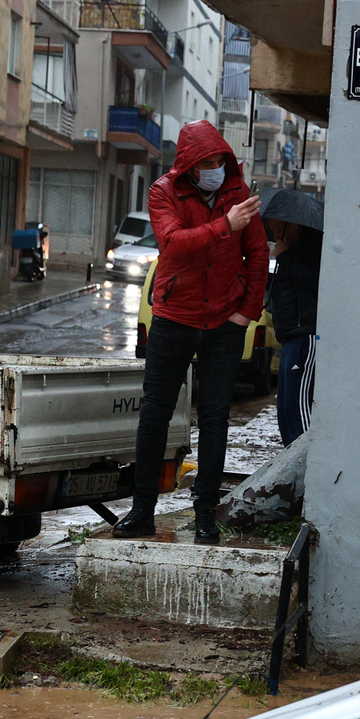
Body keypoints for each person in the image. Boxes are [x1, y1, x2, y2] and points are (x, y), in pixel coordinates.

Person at [114, 121, 266, 543]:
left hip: (223, 323)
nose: (215, 167)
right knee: (155, 414)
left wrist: (246, 312)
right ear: (189, 166)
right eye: (207, 162)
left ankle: (204, 516)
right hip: (173, 317)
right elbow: (173, 243)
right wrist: (224, 227)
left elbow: (257, 254)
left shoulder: (238, 195)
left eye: (220, 160)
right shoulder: (164, 191)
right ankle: (142, 509)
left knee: (216, 418)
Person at [261, 189, 324, 446]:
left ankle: (306, 472)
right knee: (286, 411)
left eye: (278, 229)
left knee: (299, 412)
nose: (274, 235)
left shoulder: (313, 247)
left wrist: (285, 256)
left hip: (305, 336)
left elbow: (315, 282)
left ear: (294, 225)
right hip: (289, 337)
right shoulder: (291, 250)